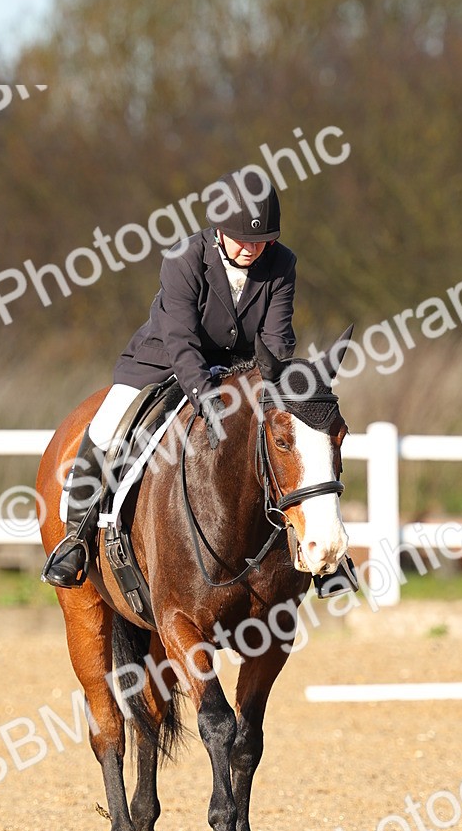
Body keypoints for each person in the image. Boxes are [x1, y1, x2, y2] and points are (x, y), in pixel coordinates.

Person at [42, 167, 357, 598]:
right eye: (243, 239)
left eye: (262, 239)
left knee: (297, 438)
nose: (253, 248)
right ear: (219, 229)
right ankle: (75, 540)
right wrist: (205, 396)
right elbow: (181, 340)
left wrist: (279, 383)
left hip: (245, 369)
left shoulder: (282, 263)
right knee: (104, 428)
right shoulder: (184, 259)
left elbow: (277, 336)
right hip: (164, 364)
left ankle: (323, 557)